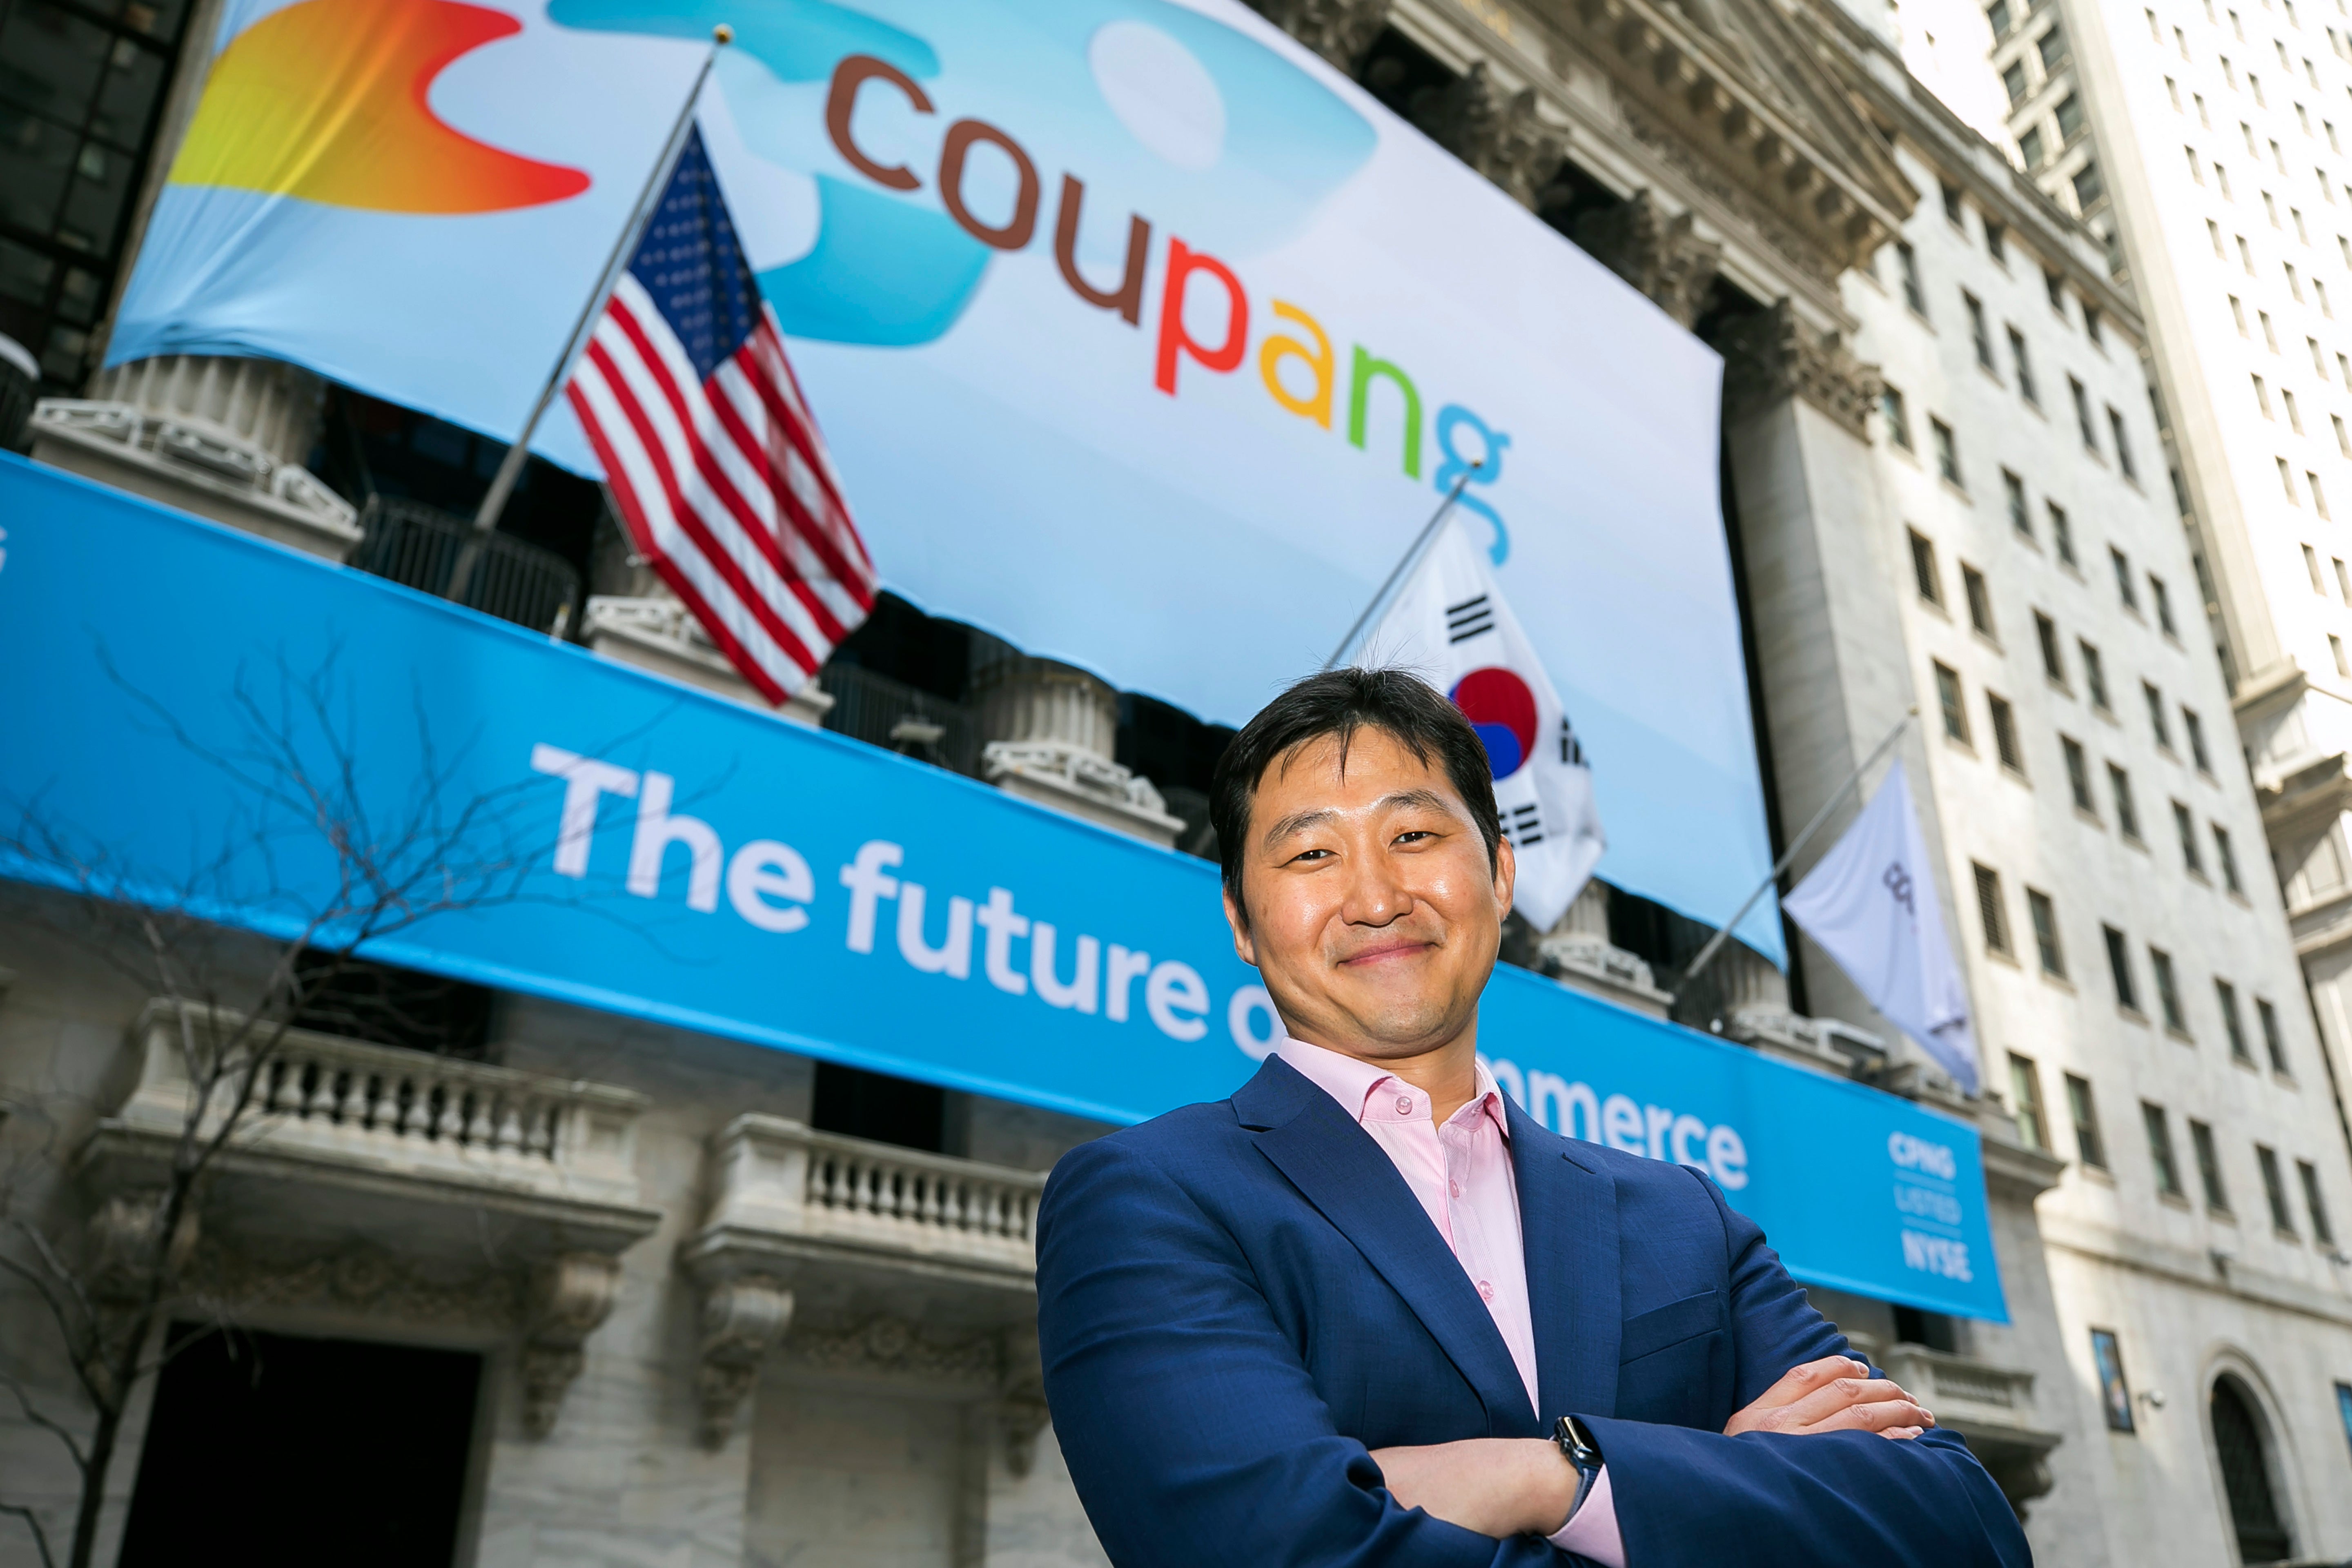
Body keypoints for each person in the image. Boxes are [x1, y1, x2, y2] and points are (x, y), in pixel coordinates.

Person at [1034, 668, 2030, 1567]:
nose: (1375, 896)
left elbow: (1962, 1526)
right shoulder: (1149, 1200)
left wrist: (1554, 1476)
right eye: (1311, 856)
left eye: (1414, 836)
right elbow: (1275, 1553)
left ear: (1502, 876)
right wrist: (1710, 1485)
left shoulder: (1685, 1218)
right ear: (1243, 925)